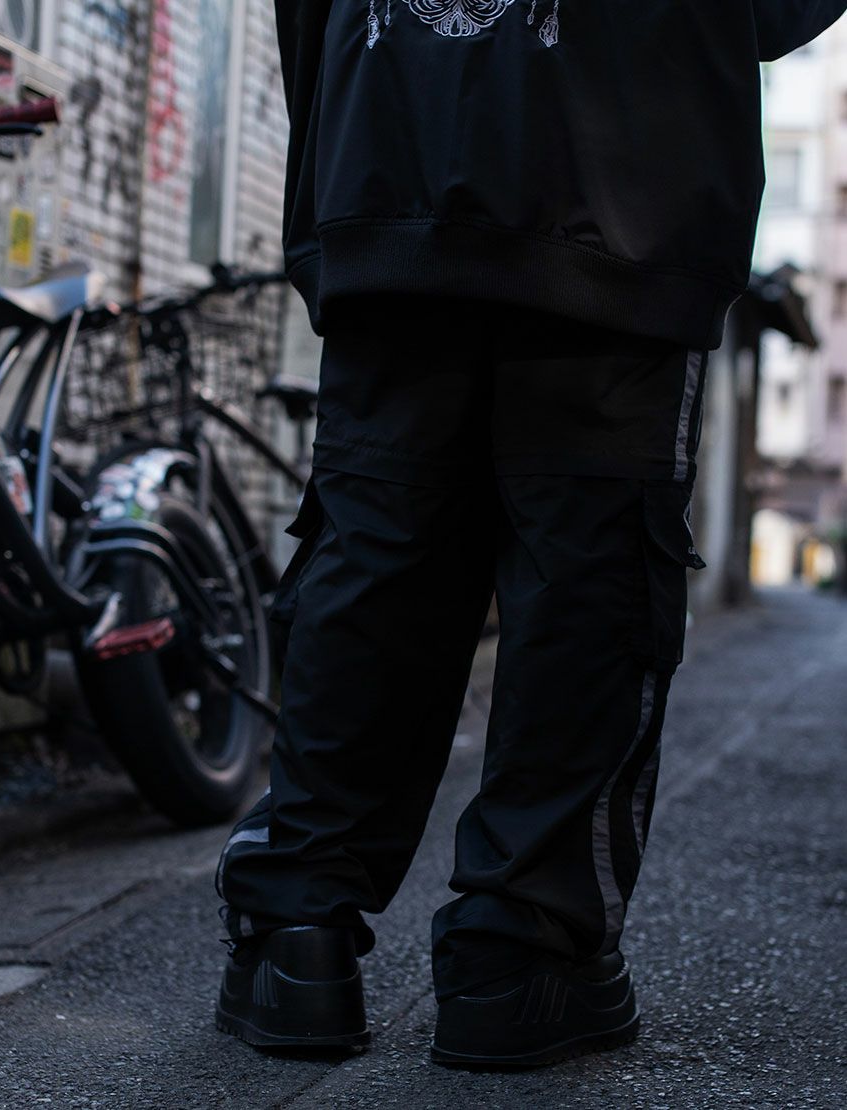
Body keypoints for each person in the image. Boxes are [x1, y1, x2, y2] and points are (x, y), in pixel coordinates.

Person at [214, 0, 847, 1068]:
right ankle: (520, 955)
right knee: (588, 570)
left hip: (394, 148)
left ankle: (297, 941)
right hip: (621, 183)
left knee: (379, 551)